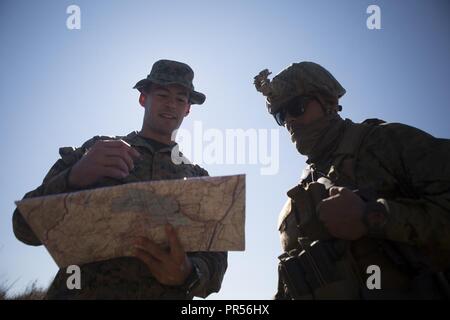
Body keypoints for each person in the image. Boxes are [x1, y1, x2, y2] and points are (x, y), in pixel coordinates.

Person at [13, 59, 228, 299]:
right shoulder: (96, 151)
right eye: (162, 94)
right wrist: (74, 178)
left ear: (188, 109)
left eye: (180, 99)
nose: (171, 105)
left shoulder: (201, 181)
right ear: (143, 99)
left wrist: (188, 274)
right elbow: (24, 228)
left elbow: (216, 264)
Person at [254, 61, 450, 299]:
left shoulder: (387, 142)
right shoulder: (295, 202)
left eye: (297, 107)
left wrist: (374, 216)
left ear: (329, 102)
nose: (289, 121)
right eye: (281, 115)